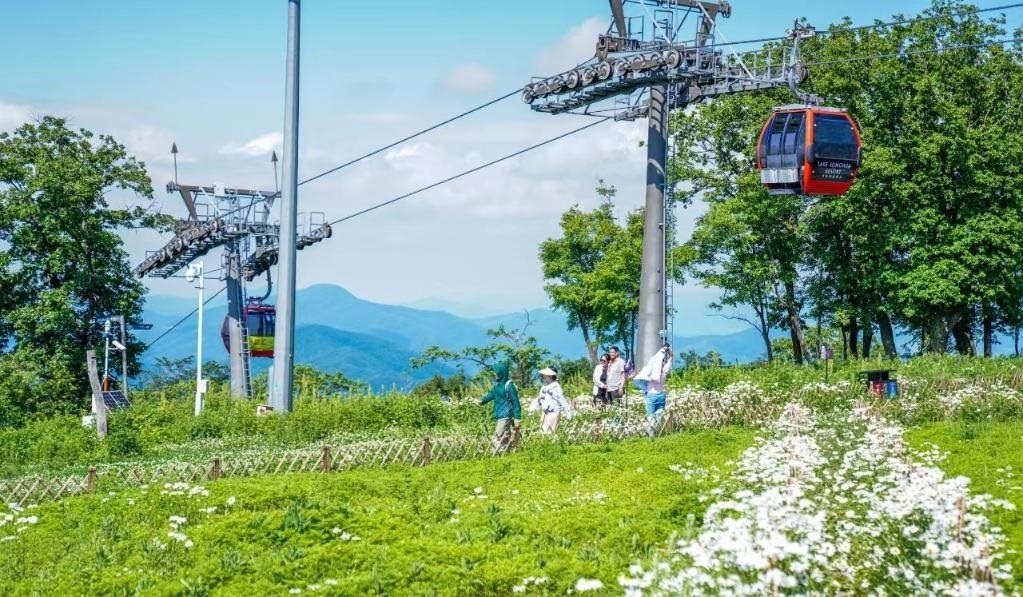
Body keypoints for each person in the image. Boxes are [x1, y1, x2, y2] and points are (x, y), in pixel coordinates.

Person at [479, 361, 521, 453]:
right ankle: (506, 452)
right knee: (504, 435)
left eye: (496, 372)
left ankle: (496, 453)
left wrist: (517, 418)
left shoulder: (509, 386)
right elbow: (491, 394)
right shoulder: (497, 385)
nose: (495, 374)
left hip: (506, 414)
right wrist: (482, 401)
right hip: (499, 414)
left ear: (501, 373)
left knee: (498, 436)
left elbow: (515, 402)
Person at [634, 345, 673, 436]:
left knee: (650, 415)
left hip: (651, 395)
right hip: (661, 394)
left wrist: (662, 351)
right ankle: (659, 432)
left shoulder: (651, 373)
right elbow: (671, 358)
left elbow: (654, 360)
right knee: (659, 414)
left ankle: (651, 435)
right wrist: (669, 353)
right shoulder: (664, 371)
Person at [529, 366, 574, 433]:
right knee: (542, 432)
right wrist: (532, 408)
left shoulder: (556, 387)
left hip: (553, 413)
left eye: (545, 375)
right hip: (545, 413)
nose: (543, 376)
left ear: (550, 376)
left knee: (549, 433)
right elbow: (539, 399)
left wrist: (568, 414)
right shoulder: (544, 387)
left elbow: (562, 401)